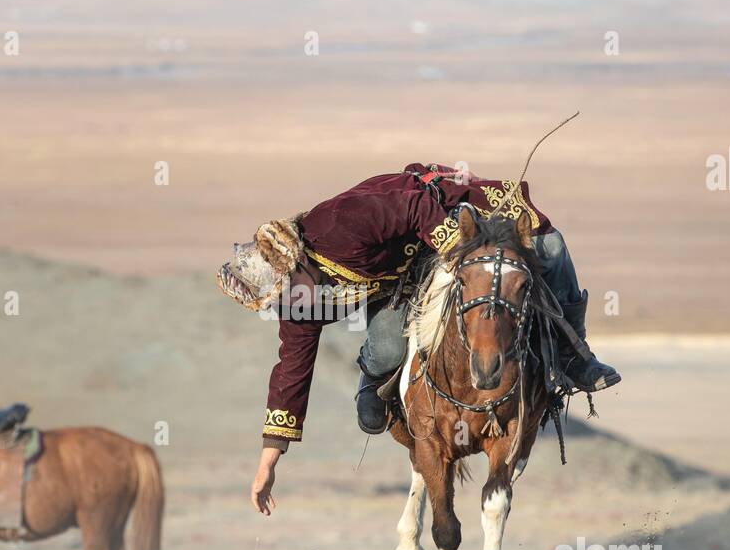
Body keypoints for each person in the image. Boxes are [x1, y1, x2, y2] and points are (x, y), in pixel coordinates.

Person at [216, 164, 620, 515]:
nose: (289, 303)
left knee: (550, 243)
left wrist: (459, 249)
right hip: (402, 282)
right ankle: (375, 380)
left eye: (285, 292)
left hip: (443, 217)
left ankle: (573, 355)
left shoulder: (340, 223)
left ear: (296, 262)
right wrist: (268, 462)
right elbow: (292, 370)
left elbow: (413, 206)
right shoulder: (302, 301)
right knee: (389, 348)